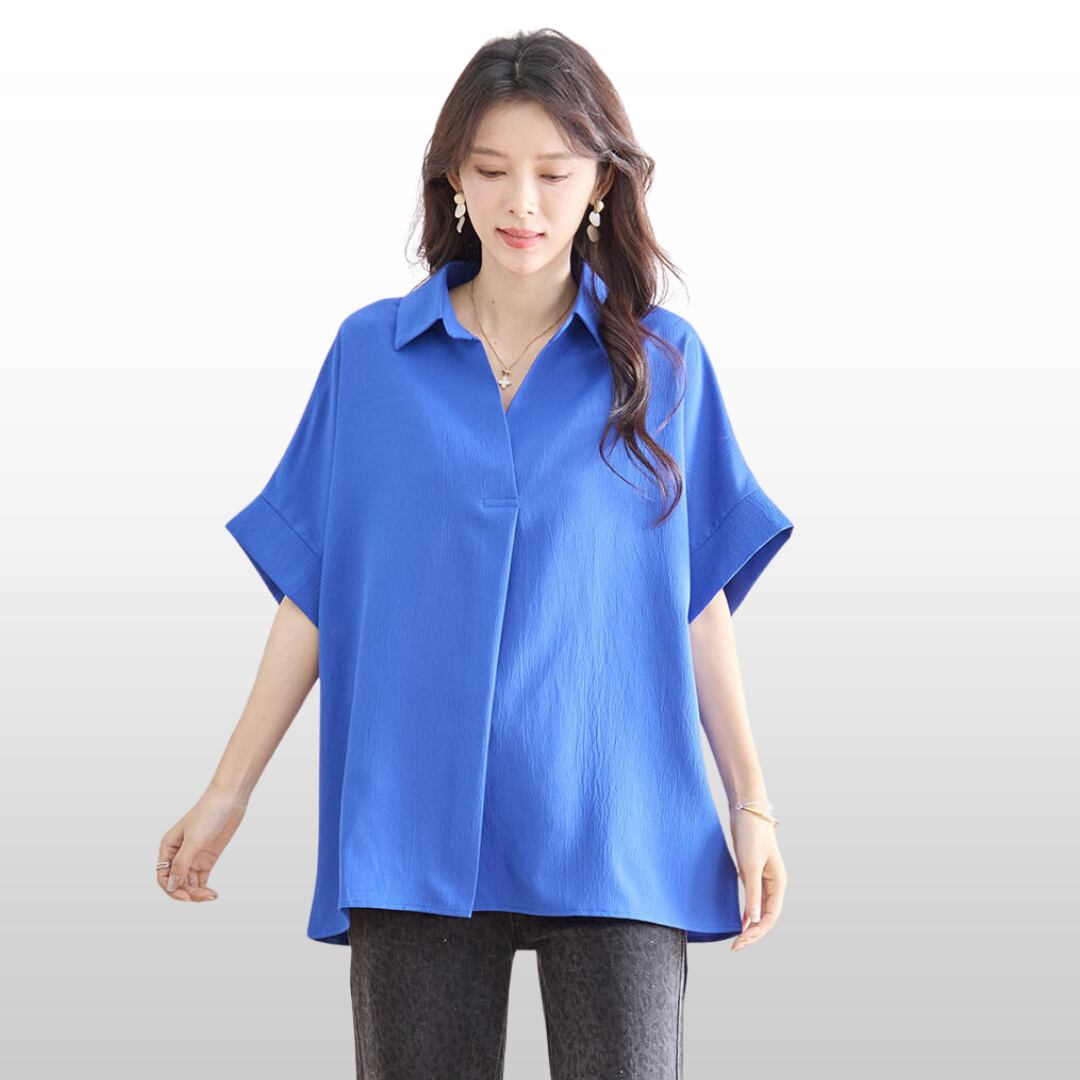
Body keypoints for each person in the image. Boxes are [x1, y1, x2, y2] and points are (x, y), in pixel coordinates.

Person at [157, 28, 794, 1079]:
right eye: (492, 170)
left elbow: (696, 596)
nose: (522, 204)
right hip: (412, 818)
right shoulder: (373, 356)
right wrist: (230, 790)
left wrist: (752, 802)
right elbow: (318, 589)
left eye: (554, 173)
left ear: (602, 184)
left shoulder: (664, 364)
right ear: (454, 176)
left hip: (614, 815)